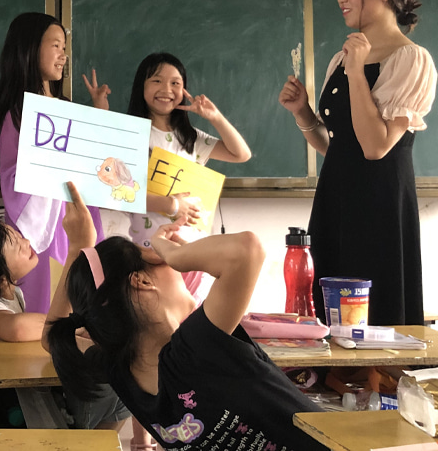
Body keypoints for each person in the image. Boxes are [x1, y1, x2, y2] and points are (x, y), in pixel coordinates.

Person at [43, 183, 328, 450]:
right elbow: (246, 250)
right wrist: (172, 252)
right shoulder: (195, 348)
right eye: (155, 257)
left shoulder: (120, 369)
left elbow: (53, 336)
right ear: (142, 282)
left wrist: (75, 250)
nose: (174, 266)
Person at [278, 0, 436, 326]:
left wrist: (356, 73)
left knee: (375, 317)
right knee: (327, 314)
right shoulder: (343, 56)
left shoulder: (411, 59)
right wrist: (302, 113)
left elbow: (376, 146)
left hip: (378, 205)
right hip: (336, 198)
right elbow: (335, 146)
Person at [0, 216, 130, 431]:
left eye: (20, 237)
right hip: (11, 410)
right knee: (118, 385)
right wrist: (69, 324)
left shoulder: (8, 293)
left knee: (122, 386)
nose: (27, 242)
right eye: (17, 246)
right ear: (0, 277)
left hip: (25, 393)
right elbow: (17, 328)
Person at [86, 54, 251, 303]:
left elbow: (241, 154)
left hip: (193, 253)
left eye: (175, 83)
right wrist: (171, 204)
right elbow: (115, 193)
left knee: (191, 320)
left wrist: (215, 117)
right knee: (160, 324)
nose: (167, 90)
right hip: (149, 253)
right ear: (141, 86)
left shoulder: (191, 138)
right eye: (156, 80)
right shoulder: (130, 135)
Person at [0, 12, 106, 313]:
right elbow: (13, 176)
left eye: (64, 47)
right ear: (30, 49)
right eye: (56, 45)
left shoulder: (67, 108)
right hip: (38, 224)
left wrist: (98, 118)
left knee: (79, 297)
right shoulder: (18, 113)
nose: (63, 55)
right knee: (43, 306)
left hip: (72, 216)